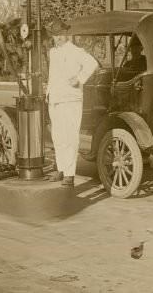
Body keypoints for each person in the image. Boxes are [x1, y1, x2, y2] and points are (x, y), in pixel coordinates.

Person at [45, 18, 99, 186]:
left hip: (70, 99)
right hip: (55, 100)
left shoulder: (76, 51)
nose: (59, 37)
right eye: (56, 35)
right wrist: (48, 94)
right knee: (58, 137)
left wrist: (79, 78)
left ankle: (69, 174)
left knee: (70, 137)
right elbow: (53, 76)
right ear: (52, 36)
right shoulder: (53, 52)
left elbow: (93, 64)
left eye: (61, 34)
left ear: (66, 34)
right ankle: (61, 169)